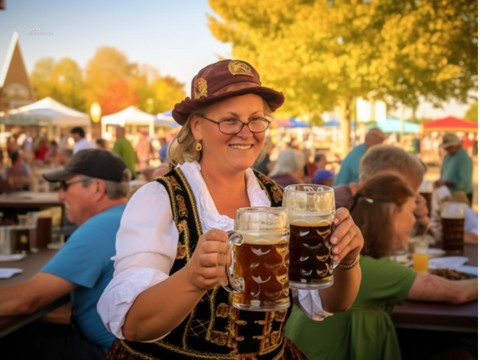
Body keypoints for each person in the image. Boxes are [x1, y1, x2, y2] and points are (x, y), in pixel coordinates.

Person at [98, 59, 363, 360]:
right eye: (230, 120)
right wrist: (191, 280)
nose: (246, 132)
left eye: (256, 119)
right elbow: (134, 325)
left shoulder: (280, 200)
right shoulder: (160, 199)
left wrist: (347, 260)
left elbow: (329, 302)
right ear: (197, 127)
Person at [286, 174, 478, 360]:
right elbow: (456, 293)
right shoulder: (370, 268)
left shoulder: (361, 260)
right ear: (392, 212)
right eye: (412, 211)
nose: (415, 219)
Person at [0, 149, 131, 359]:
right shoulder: (128, 218)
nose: (60, 195)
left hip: (111, 354)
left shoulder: (99, 227)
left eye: (65, 186)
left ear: (98, 188)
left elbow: (27, 300)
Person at [334, 145, 430, 228]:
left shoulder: (369, 204)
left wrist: (420, 217)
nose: (405, 201)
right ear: (384, 178)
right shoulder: (337, 208)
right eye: (404, 192)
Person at [434, 133, 473, 205]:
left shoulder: (464, 158)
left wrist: (446, 183)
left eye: (449, 147)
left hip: (462, 196)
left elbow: (464, 182)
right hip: (448, 193)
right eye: (446, 147)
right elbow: (443, 174)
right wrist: (440, 182)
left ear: (456, 145)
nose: (446, 149)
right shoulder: (447, 156)